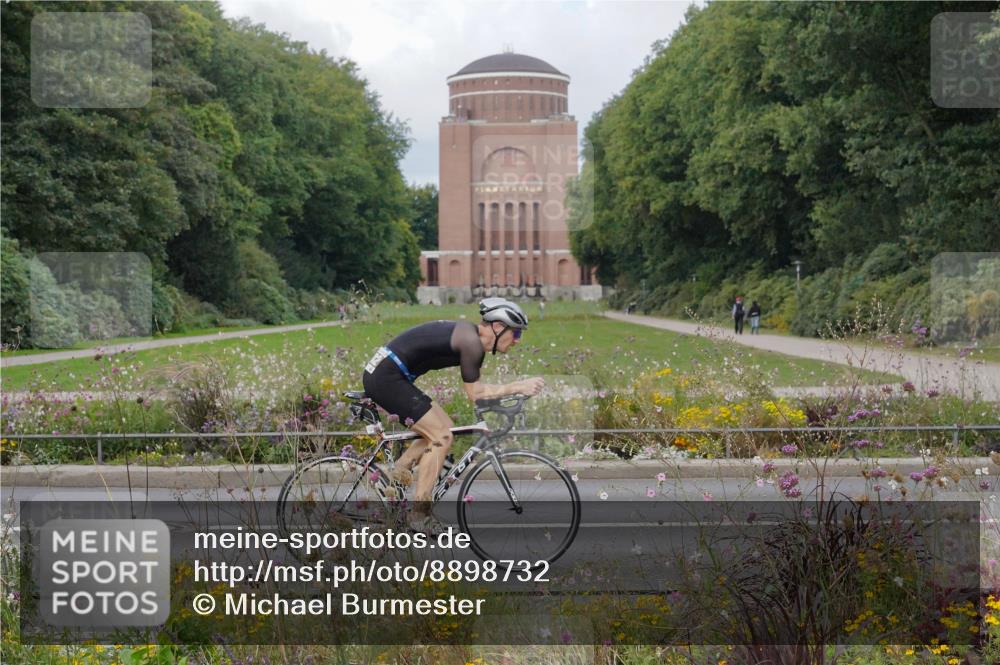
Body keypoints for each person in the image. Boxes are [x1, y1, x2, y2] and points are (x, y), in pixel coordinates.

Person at [361, 298, 544, 533]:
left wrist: (509, 394)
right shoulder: (471, 342)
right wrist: (518, 386)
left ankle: (394, 477)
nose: (518, 340)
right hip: (386, 377)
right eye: (516, 333)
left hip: (389, 373)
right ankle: (419, 515)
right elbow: (476, 393)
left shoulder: (471, 339)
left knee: (443, 427)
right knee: (442, 436)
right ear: (498, 327)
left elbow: (479, 392)